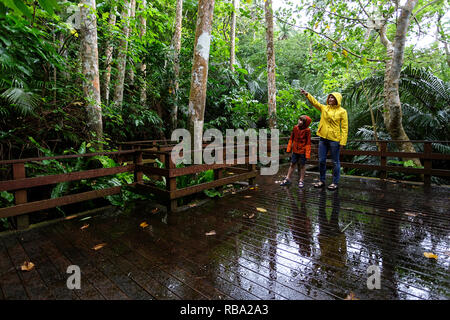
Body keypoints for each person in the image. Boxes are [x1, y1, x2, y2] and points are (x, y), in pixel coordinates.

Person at [300, 88, 348, 190]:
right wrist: (307, 94)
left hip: (334, 140)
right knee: (321, 160)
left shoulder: (342, 111)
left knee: (335, 162)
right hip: (323, 138)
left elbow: (344, 127)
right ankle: (322, 180)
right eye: (330, 97)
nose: (330, 99)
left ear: (337, 100)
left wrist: (343, 142)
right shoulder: (324, 108)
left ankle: (335, 182)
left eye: (333, 97)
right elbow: (315, 103)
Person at [280, 115, 312, 188]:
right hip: (295, 150)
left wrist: (307, 154)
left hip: (303, 151)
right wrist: (288, 148)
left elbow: (308, 142)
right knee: (292, 164)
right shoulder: (295, 128)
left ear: (305, 123)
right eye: (299, 120)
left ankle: (301, 180)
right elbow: (291, 138)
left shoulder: (307, 130)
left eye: (302, 121)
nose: (299, 121)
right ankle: (287, 179)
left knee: (302, 165)